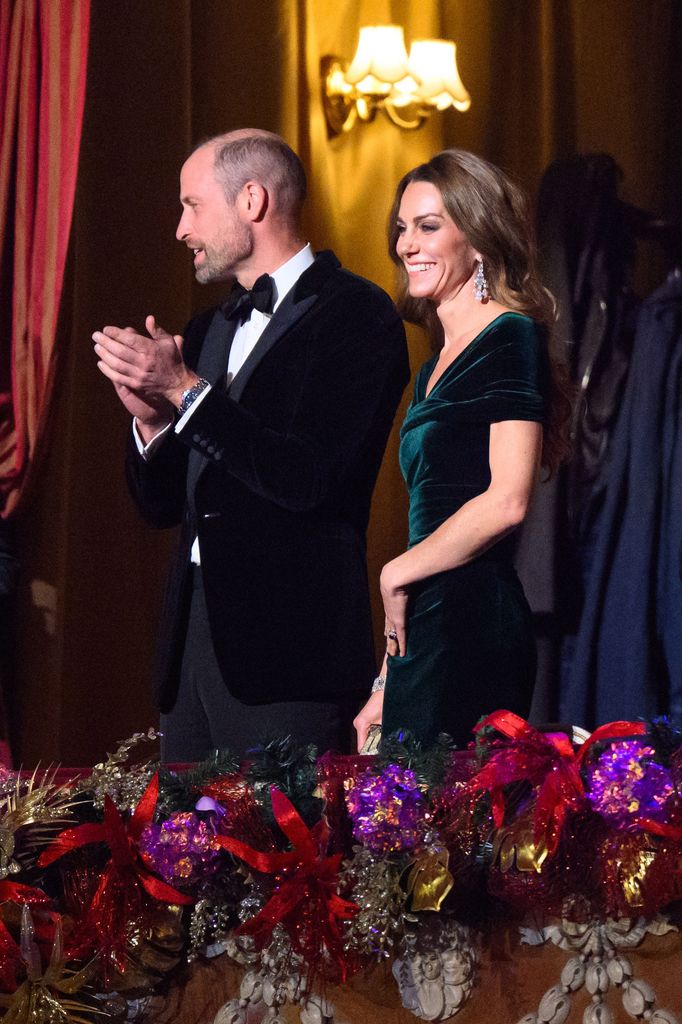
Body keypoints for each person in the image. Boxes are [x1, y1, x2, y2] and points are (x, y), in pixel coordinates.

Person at [94, 129, 409, 762]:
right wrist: (153, 422)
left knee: (288, 856)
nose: (181, 229)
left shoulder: (357, 315)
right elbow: (162, 507)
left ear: (252, 200)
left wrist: (184, 391)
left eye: (191, 205)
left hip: (289, 656)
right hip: (191, 653)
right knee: (178, 854)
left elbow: (308, 478)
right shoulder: (210, 325)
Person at [354, 149, 571, 751]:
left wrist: (396, 572)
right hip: (426, 623)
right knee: (397, 835)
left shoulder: (511, 336)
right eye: (402, 228)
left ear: (477, 240)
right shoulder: (430, 371)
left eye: (428, 226)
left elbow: (507, 500)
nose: (406, 245)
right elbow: (427, 523)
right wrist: (386, 677)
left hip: (474, 621)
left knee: (447, 837)